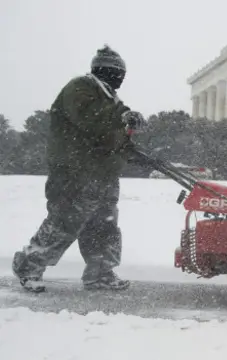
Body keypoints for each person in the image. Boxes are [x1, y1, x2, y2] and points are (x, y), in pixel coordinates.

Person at [12, 45, 144, 293]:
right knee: (64, 223)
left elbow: (113, 133)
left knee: (103, 226)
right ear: (105, 70)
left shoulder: (109, 98)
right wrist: (122, 121)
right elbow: (93, 123)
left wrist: (130, 143)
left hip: (102, 176)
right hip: (75, 173)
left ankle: (100, 274)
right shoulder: (81, 87)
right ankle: (29, 267)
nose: (120, 78)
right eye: (117, 73)